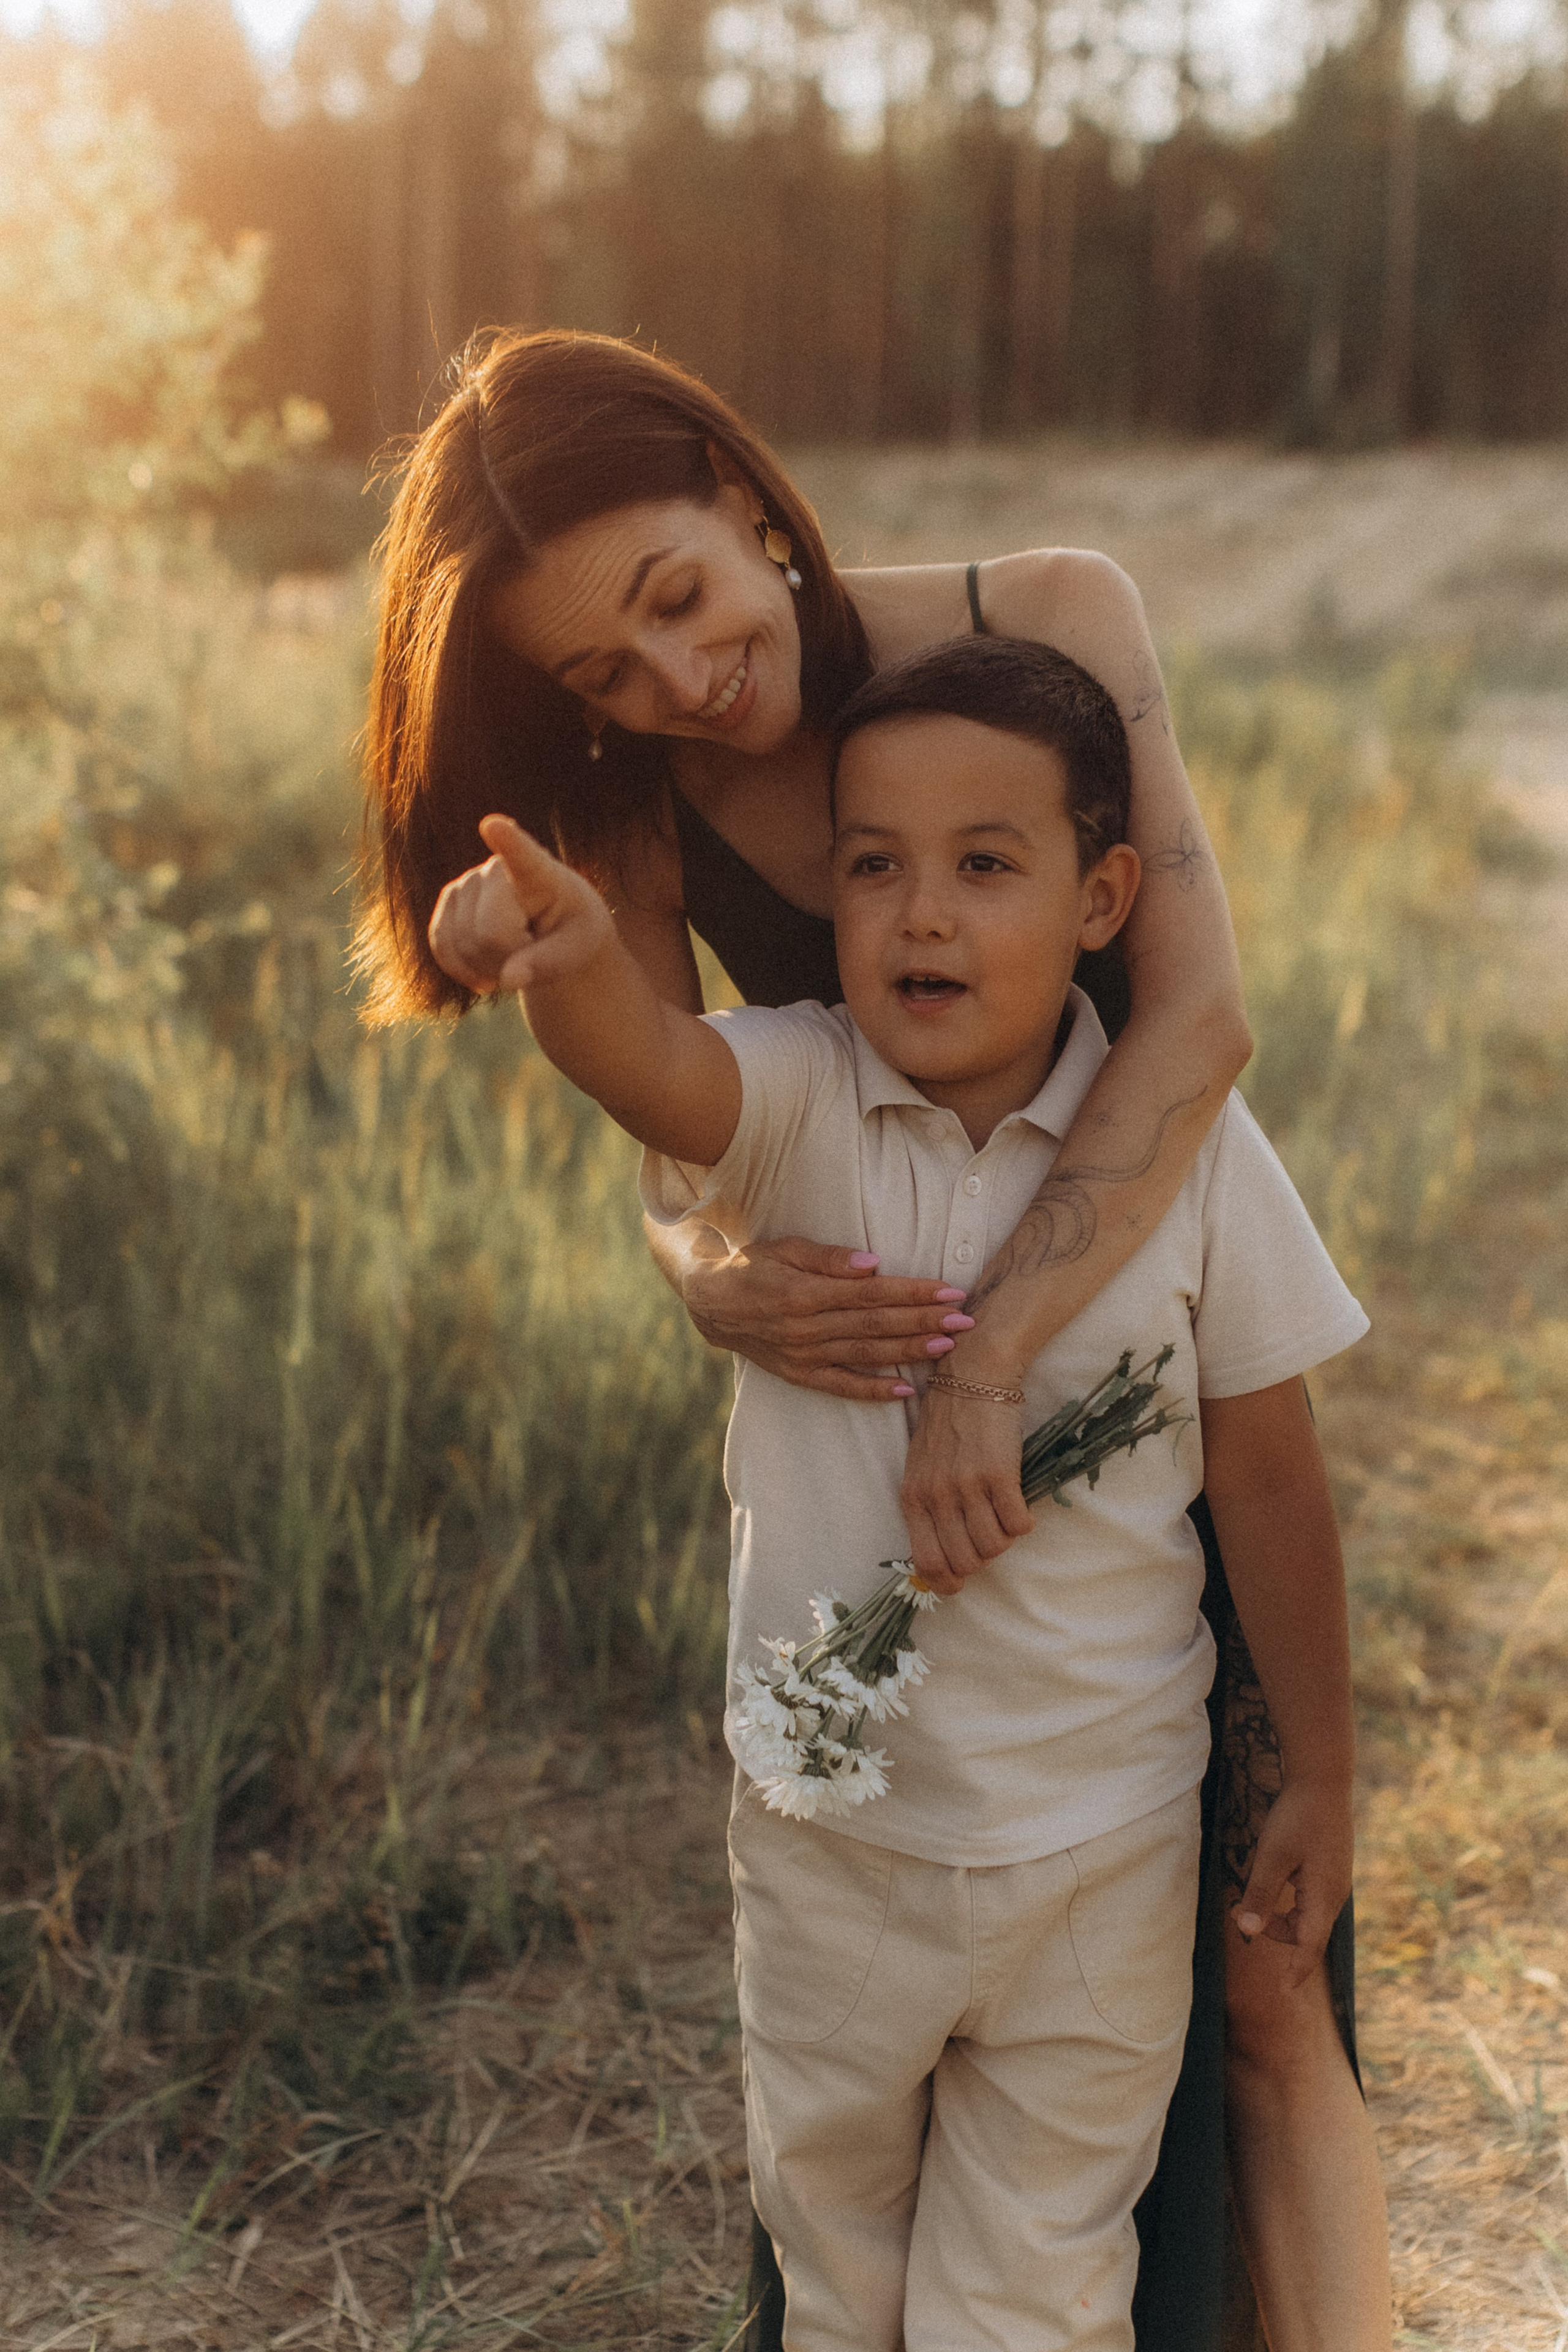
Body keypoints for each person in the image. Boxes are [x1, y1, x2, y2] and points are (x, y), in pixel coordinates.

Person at [359, 328, 1392, 2348]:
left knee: (1260, 1993)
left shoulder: (1052, 625)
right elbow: (690, 1126)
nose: (678, 683)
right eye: (602, 674)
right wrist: (699, 1279)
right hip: (897, 1509)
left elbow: (1195, 1027)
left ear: (744, 496)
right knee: (880, 2090)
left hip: (1113, 1362)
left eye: (679, 599)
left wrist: (1001, 1359)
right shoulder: (645, 811)